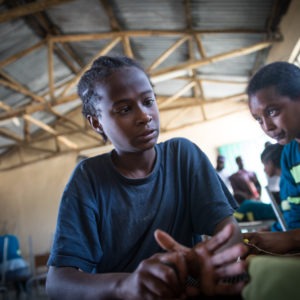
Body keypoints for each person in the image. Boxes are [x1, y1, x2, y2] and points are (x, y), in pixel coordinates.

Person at [46, 55, 244, 299]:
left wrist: (208, 260)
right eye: (125, 109)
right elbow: (57, 283)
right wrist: (126, 286)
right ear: (97, 122)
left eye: (148, 101)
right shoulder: (89, 178)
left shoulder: (182, 155)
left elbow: (228, 230)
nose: (144, 116)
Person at [241, 61, 300, 299]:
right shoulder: (289, 156)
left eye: (273, 111)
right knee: (243, 264)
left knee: (262, 274)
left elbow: (294, 235)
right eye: (258, 119)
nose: (267, 126)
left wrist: (291, 239)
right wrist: (264, 240)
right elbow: (294, 222)